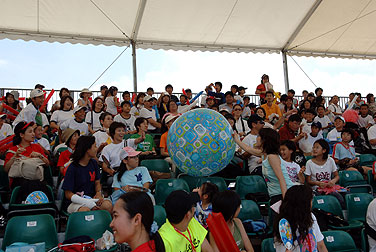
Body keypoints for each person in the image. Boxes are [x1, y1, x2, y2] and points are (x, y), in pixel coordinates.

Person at [234, 128, 294, 206]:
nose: (256, 137)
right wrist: (236, 139)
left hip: (284, 194)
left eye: (259, 136)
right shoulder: (264, 154)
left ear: (264, 140)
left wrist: (286, 201)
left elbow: (281, 179)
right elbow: (248, 149)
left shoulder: (272, 157)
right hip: (275, 195)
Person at [62, 135, 112, 213]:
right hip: (76, 202)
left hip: (92, 198)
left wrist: (98, 193)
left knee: (107, 205)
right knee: (86, 210)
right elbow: (68, 194)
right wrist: (86, 202)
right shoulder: (72, 168)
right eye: (94, 146)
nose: (96, 149)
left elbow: (97, 183)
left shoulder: (94, 163)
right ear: (87, 149)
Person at [273, 185, 328, 252]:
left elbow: (321, 245)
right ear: (303, 203)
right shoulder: (284, 224)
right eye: (310, 200)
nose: (312, 203)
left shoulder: (311, 216)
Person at [4, 122, 49, 189]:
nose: (33, 134)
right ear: (22, 135)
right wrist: (15, 156)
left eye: (33, 131)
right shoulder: (13, 150)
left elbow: (47, 164)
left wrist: (40, 156)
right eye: (30, 132)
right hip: (19, 182)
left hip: (36, 179)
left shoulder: (37, 147)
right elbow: (6, 169)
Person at [304, 139, 344, 208]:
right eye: (313, 147)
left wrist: (333, 181)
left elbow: (337, 176)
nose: (314, 149)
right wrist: (318, 183)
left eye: (317, 147)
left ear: (324, 150)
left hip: (329, 187)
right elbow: (308, 181)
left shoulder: (330, 160)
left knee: (341, 196)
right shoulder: (309, 163)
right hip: (316, 189)